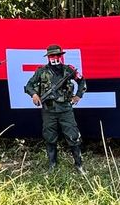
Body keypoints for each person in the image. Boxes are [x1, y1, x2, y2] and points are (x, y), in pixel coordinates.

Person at [24, 44, 87, 174]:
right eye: (52, 56)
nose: (55, 58)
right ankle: (52, 165)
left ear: (61, 56)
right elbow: (29, 85)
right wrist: (34, 95)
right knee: (49, 137)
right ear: (48, 57)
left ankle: (79, 165)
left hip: (65, 109)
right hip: (49, 110)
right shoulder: (41, 71)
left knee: (73, 136)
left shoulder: (68, 70)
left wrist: (78, 96)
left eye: (57, 55)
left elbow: (82, 81)